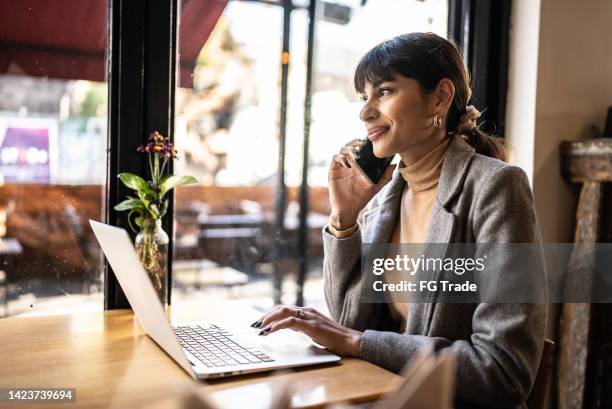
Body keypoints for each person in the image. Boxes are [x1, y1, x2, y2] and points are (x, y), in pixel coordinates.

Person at [251, 32, 547, 408]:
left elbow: (502, 373)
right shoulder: (385, 199)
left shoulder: (497, 187)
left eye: (385, 91)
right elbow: (346, 323)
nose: (365, 111)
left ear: (440, 97)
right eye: (364, 97)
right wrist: (344, 218)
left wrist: (360, 343)